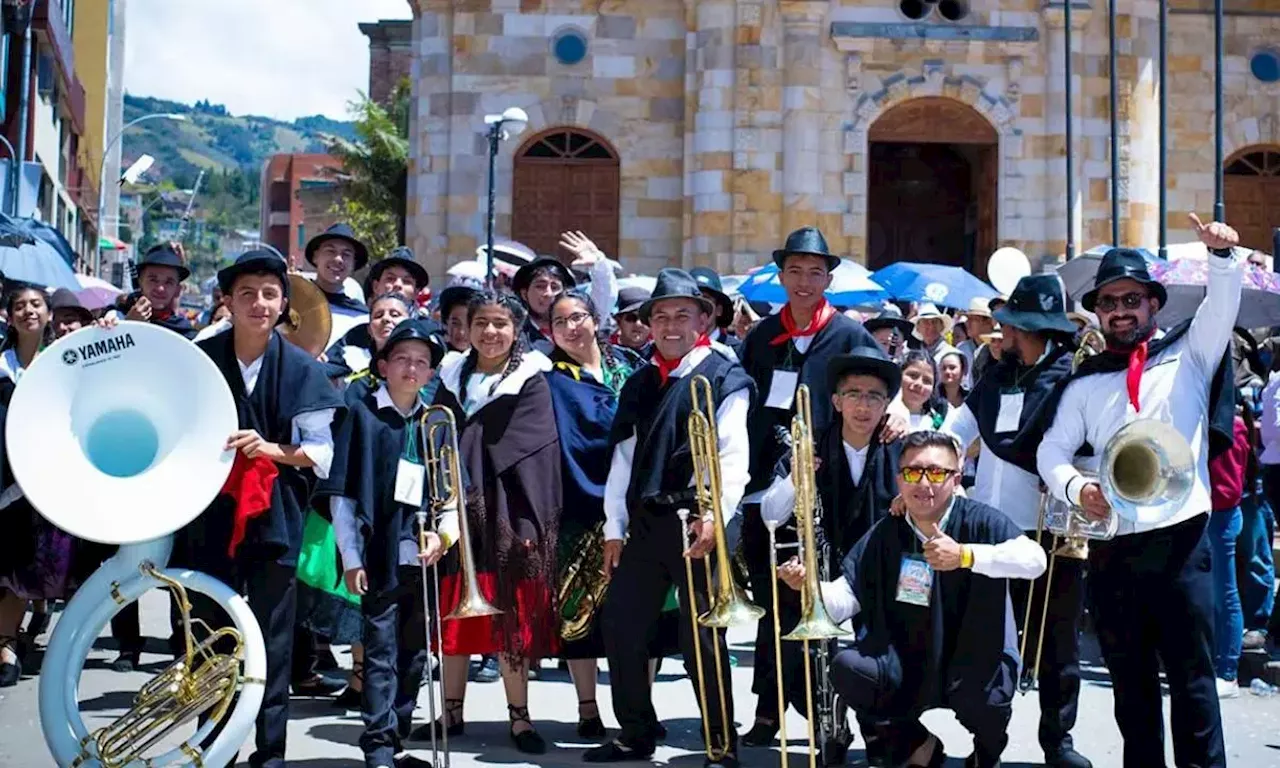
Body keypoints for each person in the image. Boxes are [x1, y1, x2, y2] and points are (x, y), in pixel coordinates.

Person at [1037, 214, 1245, 768]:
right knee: (1131, 690)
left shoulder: (1191, 353)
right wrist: (1079, 488)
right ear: (1098, 312)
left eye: (1132, 298)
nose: (1121, 309)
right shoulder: (1084, 384)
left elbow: (1221, 305)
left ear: (1154, 304)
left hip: (1183, 543)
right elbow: (1051, 452)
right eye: (1109, 302)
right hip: (1114, 548)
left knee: (1194, 683)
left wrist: (1221, 258)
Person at [778, 430, 1047, 768]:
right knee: (849, 670)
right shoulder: (885, 532)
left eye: (936, 472)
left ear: (956, 478)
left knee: (987, 703)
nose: (924, 483)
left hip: (974, 655)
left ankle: (986, 752)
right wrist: (809, 588)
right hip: (907, 656)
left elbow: (1035, 561)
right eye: (912, 472)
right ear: (899, 479)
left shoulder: (981, 520)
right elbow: (845, 599)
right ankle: (920, 744)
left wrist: (966, 555)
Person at [175, 248, 346, 768]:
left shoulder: (301, 368)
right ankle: (213, 745)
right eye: (246, 293)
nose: (258, 303)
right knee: (209, 633)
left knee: (272, 638)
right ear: (227, 301)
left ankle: (270, 751)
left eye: (269, 294)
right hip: (208, 514)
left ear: (283, 305)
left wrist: (270, 448)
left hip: (276, 516)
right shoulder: (200, 356)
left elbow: (319, 454)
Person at [584, 268, 755, 768]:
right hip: (649, 521)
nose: (671, 325)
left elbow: (731, 457)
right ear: (649, 324)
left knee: (701, 634)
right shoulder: (640, 381)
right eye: (661, 316)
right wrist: (615, 529)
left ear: (704, 319)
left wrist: (714, 517)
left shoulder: (725, 376)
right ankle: (635, 733)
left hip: (699, 519)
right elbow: (623, 460)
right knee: (621, 623)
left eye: (683, 314)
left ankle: (722, 743)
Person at [737, 226, 882, 747]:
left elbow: (877, 389)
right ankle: (768, 710)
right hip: (768, 490)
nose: (804, 281)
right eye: (794, 271)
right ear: (781, 276)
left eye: (814, 272)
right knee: (773, 605)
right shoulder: (758, 337)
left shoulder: (848, 335)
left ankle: (840, 713)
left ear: (828, 278)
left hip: (830, 488)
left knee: (830, 600)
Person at [940, 274, 1089, 768]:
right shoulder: (996, 376)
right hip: (988, 527)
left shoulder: (1068, 378)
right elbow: (960, 428)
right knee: (987, 641)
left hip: (1048, 528)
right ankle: (988, 743)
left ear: (1030, 331)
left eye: (1007, 327)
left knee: (1056, 644)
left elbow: (1082, 446)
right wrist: (942, 464)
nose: (999, 335)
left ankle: (1058, 742)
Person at [423, 289, 561, 754]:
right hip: (456, 509)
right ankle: (453, 710)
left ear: (517, 329)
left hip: (507, 508)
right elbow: (438, 434)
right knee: (454, 610)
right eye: (481, 322)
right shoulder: (452, 374)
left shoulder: (531, 377)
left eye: (501, 324)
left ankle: (520, 717)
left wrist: (528, 525)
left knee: (511, 617)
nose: (490, 332)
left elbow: (532, 449)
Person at [757, 346, 905, 763]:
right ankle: (831, 733)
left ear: (886, 406)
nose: (863, 405)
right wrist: (796, 478)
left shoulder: (900, 447)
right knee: (817, 662)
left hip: (883, 575)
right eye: (854, 394)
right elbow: (771, 513)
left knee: (883, 660)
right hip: (822, 573)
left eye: (874, 396)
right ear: (837, 401)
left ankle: (881, 734)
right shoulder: (811, 443)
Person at [544, 289, 679, 739]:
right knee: (579, 612)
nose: (570, 328)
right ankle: (587, 708)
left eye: (577, 317)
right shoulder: (548, 377)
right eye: (559, 322)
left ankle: (644, 704)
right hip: (579, 504)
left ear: (595, 319)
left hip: (635, 501)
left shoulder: (633, 366)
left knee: (647, 614)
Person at [321, 320, 453, 768]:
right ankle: (377, 743)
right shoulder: (362, 416)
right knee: (380, 652)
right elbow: (342, 495)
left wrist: (445, 534)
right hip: (379, 555)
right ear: (382, 366)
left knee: (416, 654)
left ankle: (397, 737)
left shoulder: (436, 420)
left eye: (421, 362)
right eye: (401, 359)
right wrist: (351, 557)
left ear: (432, 371)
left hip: (423, 558)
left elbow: (451, 493)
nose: (411, 369)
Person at [0, 285, 98, 687]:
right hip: (6, 481)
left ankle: (53, 645)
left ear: (49, 313)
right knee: (7, 571)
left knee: (47, 568)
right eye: (19, 306)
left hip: (51, 480)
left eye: (35, 305)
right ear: (9, 317)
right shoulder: (1, 364)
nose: (28, 312)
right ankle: (5, 646)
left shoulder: (65, 360)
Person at [325, 247, 434, 380]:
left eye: (407, 281)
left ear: (417, 292)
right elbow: (328, 369)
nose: (398, 285)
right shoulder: (355, 336)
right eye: (390, 278)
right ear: (376, 286)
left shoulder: (430, 333)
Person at [306, 223, 372, 353]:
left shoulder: (361, 316)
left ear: (354, 264)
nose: (338, 259)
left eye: (346, 254)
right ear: (315, 257)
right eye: (330, 251)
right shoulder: (294, 299)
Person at [117, 243, 196, 338]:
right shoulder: (114, 319)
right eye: (153, 280)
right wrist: (127, 326)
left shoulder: (185, 335)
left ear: (177, 289)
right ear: (140, 282)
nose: (160, 288)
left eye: (169, 282)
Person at [511, 256, 576, 354]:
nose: (548, 294)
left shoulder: (575, 328)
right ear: (524, 294)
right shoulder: (515, 333)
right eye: (540, 286)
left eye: (554, 287)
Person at [691, 266, 742, 358]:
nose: (697, 308)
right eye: (691, 301)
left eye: (705, 300)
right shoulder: (669, 350)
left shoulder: (738, 352)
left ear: (719, 310)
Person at [897, 350, 949, 431]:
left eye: (927, 381)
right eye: (913, 375)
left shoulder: (938, 425)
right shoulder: (881, 414)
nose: (919, 384)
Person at [612, 286, 652, 358]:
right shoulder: (607, 352)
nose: (638, 324)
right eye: (631, 318)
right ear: (619, 321)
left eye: (643, 317)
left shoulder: (662, 351)